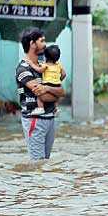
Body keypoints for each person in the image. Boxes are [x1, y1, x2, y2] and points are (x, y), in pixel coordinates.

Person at [15, 27, 65, 160]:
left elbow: (61, 91)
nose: (45, 44)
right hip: (35, 119)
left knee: (46, 163)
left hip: (50, 119)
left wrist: (48, 89)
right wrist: (54, 92)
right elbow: (44, 96)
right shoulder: (23, 69)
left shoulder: (45, 66)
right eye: (42, 41)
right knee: (38, 164)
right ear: (32, 44)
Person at [28, 44, 66, 116]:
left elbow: (39, 70)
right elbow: (64, 74)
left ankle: (41, 108)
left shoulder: (45, 65)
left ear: (46, 56)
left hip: (47, 84)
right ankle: (56, 108)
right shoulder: (59, 65)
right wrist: (58, 80)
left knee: (38, 94)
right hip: (57, 84)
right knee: (56, 96)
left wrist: (31, 64)